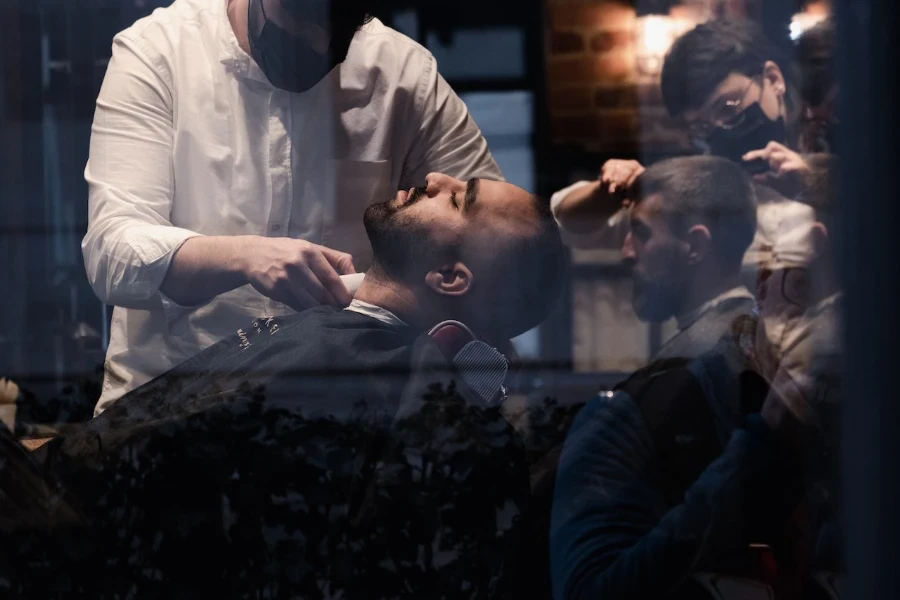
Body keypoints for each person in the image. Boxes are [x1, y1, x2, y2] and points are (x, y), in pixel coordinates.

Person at [20, 174, 567, 597]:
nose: (436, 180)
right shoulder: (361, 358)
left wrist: (31, 459)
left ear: (449, 277)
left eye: (459, 200)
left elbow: (103, 481)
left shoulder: (342, 371)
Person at [83, 0, 503, 415]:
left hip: (330, 425)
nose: (318, 47)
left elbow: (502, 243)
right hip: (163, 410)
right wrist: (243, 256)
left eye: (336, 38)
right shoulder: (159, 52)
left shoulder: (404, 76)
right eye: (297, 28)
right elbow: (111, 251)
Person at [550, 156, 798, 600]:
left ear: (694, 246)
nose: (626, 251)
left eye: (641, 233)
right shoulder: (771, 347)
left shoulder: (679, 379)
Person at [551, 19, 831, 283]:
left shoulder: (839, 144)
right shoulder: (707, 187)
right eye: (700, 127)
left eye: (729, 107)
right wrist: (611, 190)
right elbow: (567, 223)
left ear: (773, 79)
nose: (721, 129)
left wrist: (816, 186)